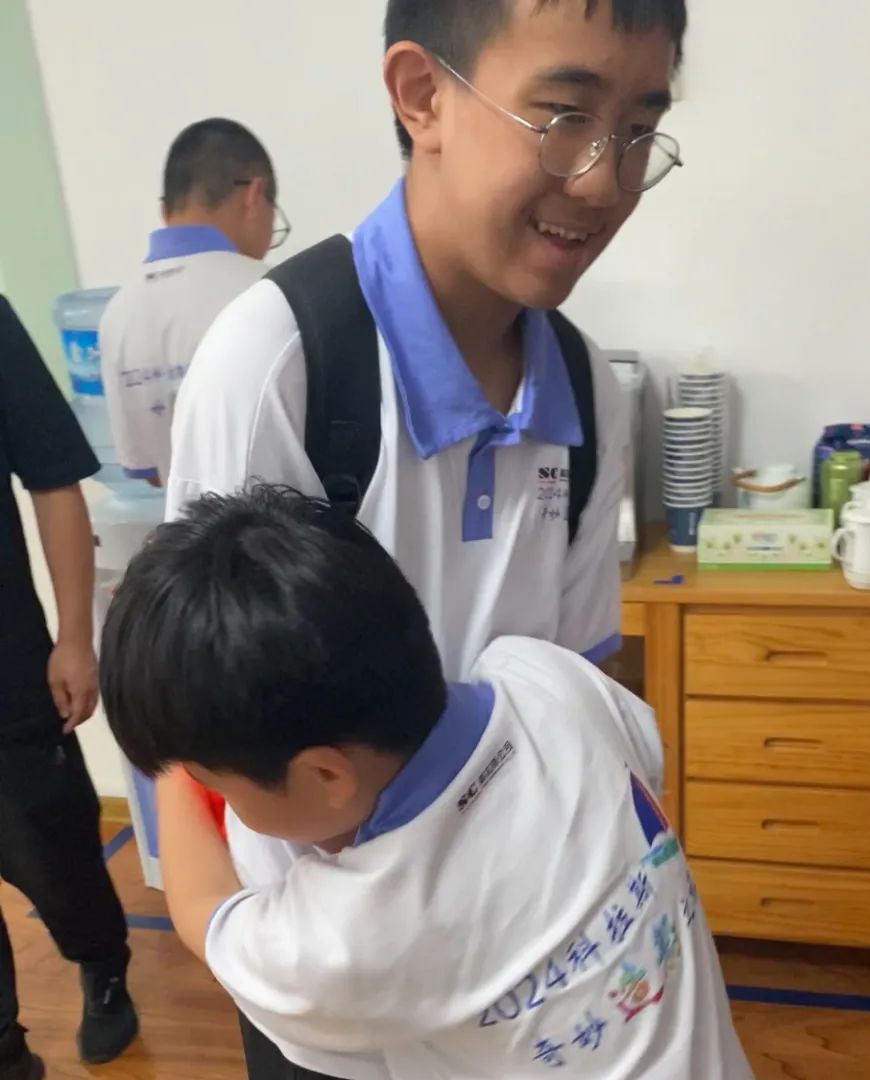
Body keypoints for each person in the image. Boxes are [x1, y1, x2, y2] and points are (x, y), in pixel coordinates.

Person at [99, 487, 753, 1080]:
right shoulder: (545, 677)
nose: (220, 800)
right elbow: (645, 756)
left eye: (219, 786)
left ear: (325, 775)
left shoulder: (348, 937)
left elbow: (205, 912)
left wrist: (174, 759)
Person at [166, 0, 688, 680]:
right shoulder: (278, 366)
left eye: (639, 131)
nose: (600, 184)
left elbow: (578, 684)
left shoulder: (585, 388)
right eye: (565, 115)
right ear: (423, 96)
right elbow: (211, 716)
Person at [0, 297, 138, 1079]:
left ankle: (103, 962)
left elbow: (54, 480)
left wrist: (76, 638)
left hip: (7, 664)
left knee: (54, 851)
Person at [100, 118, 285, 489]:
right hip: (282, 521)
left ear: (166, 210)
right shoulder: (271, 291)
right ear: (254, 194)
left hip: (185, 524)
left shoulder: (118, 314)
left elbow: (151, 473)